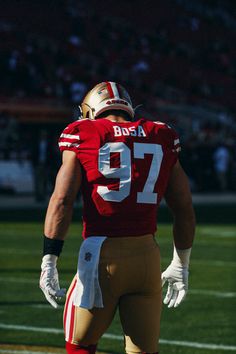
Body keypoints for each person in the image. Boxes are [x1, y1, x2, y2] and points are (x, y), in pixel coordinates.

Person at [39, 81, 195, 354]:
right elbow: (183, 207)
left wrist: (49, 259)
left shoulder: (82, 132)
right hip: (147, 257)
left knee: (80, 346)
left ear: (90, 110)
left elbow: (62, 200)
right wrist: (181, 264)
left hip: (102, 256)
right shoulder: (160, 133)